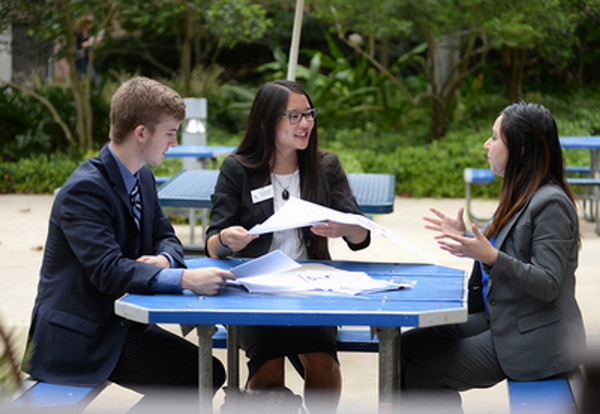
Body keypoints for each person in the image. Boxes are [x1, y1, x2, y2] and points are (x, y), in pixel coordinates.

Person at [24, 76, 234, 411]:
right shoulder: (85, 190)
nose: (175, 143)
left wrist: (166, 261)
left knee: (204, 372)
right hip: (80, 339)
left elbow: (166, 235)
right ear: (141, 133)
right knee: (199, 375)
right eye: (169, 132)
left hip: (117, 326)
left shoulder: (143, 177)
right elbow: (107, 271)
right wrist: (183, 278)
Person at [401, 102, 586, 412]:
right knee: (407, 346)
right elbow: (505, 251)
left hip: (533, 339)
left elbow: (549, 282)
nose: (487, 144)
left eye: (495, 137)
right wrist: (472, 240)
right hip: (500, 320)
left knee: (424, 372)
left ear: (522, 149)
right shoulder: (519, 192)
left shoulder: (551, 203)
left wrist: (491, 257)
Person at [205, 79, 371, 411]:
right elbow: (213, 245)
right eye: (294, 116)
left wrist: (345, 228)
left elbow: (362, 237)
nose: (306, 123)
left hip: (312, 289)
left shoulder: (325, 166)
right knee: (269, 369)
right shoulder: (237, 169)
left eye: (308, 114)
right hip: (256, 292)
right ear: (266, 122)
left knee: (323, 365)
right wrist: (228, 239)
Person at [74, 14, 103, 84]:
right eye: (91, 22)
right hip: (80, 60)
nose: (92, 24)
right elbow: (81, 45)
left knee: (93, 78)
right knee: (81, 79)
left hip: (86, 59)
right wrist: (93, 40)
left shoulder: (87, 33)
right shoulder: (78, 33)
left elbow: (88, 45)